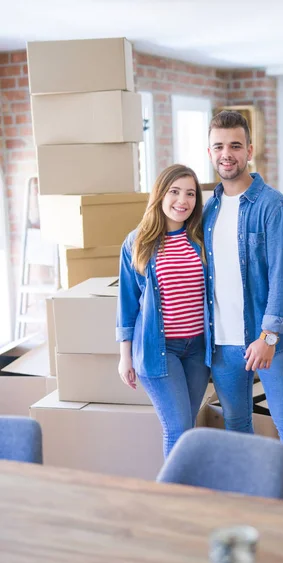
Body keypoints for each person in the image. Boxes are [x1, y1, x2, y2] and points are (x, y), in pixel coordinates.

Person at [203, 110, 283, 502]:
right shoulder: (209, 209)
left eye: (234, 145)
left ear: (249, 150)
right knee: (237, 422)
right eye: (218, 146)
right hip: (224, 342)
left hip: (270, 340)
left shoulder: (275, 207)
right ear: (210, 152)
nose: (226, 154)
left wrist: (268, 336)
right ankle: (252, 500)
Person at [116, 164, 211, 458]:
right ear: (160, 194)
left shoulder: (201, 239)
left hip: (198, 350)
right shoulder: (138, 242)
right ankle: (174, 499)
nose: (182, 201)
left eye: (190, 194)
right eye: (174, 191)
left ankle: (185, 491)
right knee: (178, 426)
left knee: (188, 426)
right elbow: (127, 303)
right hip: (159, 350)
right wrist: (125, 357)